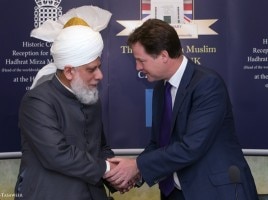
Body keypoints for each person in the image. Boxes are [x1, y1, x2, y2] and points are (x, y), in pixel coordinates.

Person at [104, 19, 259, 200]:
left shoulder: (207, 84)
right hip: (175, 193)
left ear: (163, 56)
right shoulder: (161, 89)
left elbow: (191, 147)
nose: (138, 67)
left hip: (214, 192)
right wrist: (132, 174)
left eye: (140, 60)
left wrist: (137, 165)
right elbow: (158, 144)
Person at [14, 6, 117, 200]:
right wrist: (107, 168)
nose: (100, 75)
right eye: (91, 69)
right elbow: (58, 155)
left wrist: (119, 174)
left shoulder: (90, 97)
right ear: (69, 71)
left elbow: (99, 147)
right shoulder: (37, 101)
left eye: (99, 67)